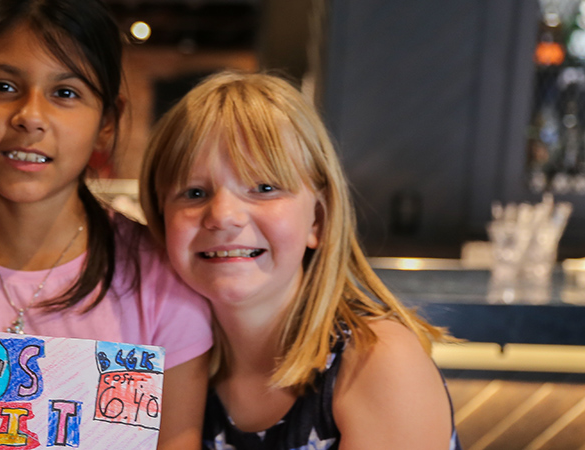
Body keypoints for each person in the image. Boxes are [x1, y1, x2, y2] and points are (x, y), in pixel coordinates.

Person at [0, 0, 212, 447]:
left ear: (106, 122)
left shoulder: (162, 281)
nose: (30, 115)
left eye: (66, 93)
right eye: (2, 86)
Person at [139, 71, 461, 449]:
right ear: (161, 221)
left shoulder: (380, 363)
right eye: (194, 192)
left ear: (318, 220)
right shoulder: (161, 362)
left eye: (264, 188)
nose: (223, 215)